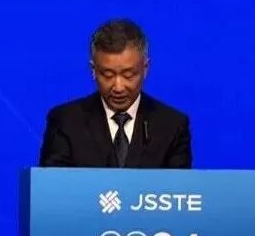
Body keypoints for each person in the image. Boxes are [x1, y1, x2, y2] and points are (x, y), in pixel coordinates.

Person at [38, 19, 192, 168]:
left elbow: (178, 184)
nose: (118, 87)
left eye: (128, 75)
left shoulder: (172, 125)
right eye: (108, 75)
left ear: (145, 68)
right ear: (93, 70)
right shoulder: (66, 122)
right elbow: (52, 183)